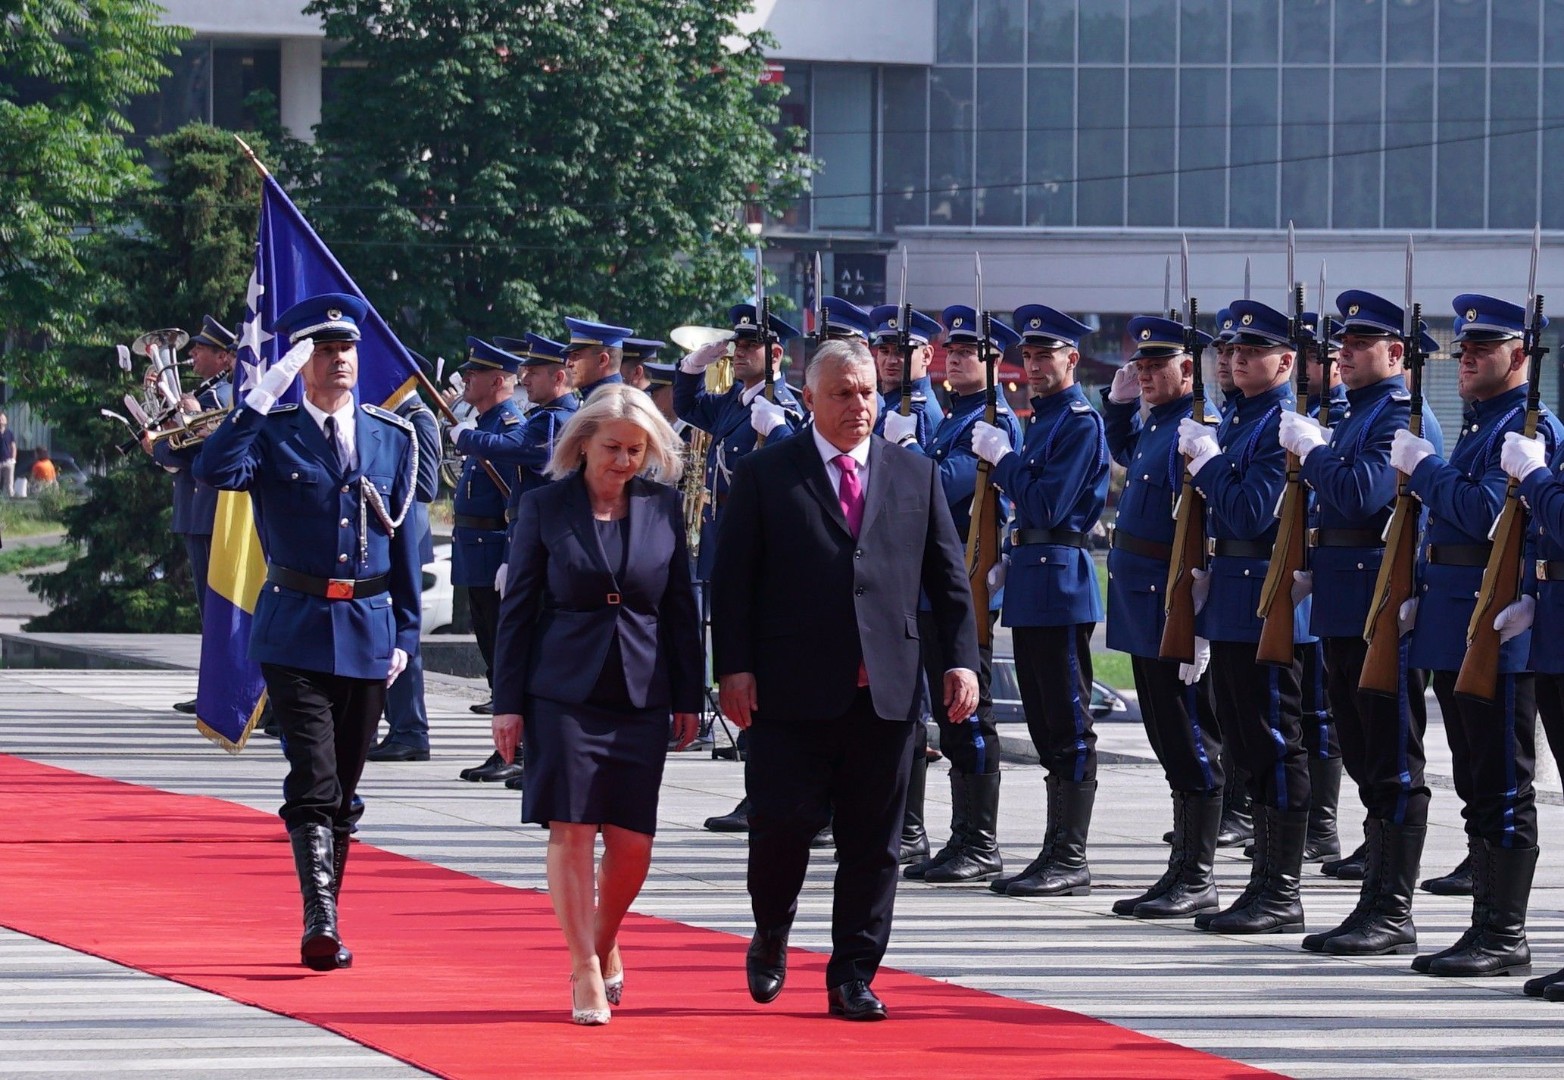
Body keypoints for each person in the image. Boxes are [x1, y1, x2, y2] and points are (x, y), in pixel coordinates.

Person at [713, 338, 978, 1022]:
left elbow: (948, 583)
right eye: (842, 393)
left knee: (874, 843)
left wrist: (960, 661)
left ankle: (852, 974)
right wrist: (733, 669)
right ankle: (772, 928)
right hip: (789, 691)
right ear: (808, 401)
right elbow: (732, 583)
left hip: (884, 691)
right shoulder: (769, 474)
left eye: (866, 392)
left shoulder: (913, 476)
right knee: (781, 828)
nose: (859, 405)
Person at [194, 291, 420, 972]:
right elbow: (214, 470)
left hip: (369, 628)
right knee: (315, 776)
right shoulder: (271, 430)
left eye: (346, 347)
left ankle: (331, 912)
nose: (339, 360)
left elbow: (402, 542)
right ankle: (318, 918)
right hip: (294, 630)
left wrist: (405, 635)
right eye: (323, 350)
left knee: (344, 785)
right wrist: (257, 400)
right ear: (300, 362)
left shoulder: (393, 435)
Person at [490, 384, 701, 1025]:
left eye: (638, 450)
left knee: (633, 841)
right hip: (561, 691)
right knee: (573, 828)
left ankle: (604, 938)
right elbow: (517, 610)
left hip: (642, 690)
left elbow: (680, 611)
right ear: (582, 443)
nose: (624, 461)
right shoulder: (544, 507)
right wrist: (508, 703)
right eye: (613, 447)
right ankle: (583, 966)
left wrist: (690, 695)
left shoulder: (663, 508)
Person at [1393, 293, 1561, 978]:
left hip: (1496, 627)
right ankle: (1487, 925)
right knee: (1475, 779)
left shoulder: (1526, 426)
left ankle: (1503, 933)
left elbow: (1486, 514)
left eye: (1481, 351)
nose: (1465, 360)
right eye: (1461, 351)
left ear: (1520, 357)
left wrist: (1425, 471)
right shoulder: (1479, 427)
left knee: (1501, 780)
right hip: (1459, 620)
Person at [1278, 292, 1445, 957]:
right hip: (1346, 609)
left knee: (1392, 762)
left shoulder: (1399, 415)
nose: (1340, 354)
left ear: (1396, 352)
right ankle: (1373, 898)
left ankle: (1391, 909)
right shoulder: (1360, 415)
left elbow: (1359, 494)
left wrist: (1314, 454)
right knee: (1368, 761)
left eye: (1355, 344)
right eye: (1338, 345)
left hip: (1382, 610)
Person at [1177, 297, 1312, 935]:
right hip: (1232, 595)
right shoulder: (1239, 418)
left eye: (1250, 352)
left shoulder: (1280, 422)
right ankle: (1262, 882)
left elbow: (1252, 512)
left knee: (1273, 741)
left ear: (1286, 361)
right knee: (1244, 742)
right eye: (1227, 352)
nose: (1234, 360)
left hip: (1265, 599)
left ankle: (1281, 890)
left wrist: (1208, 465)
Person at [972, 301, 1109, 899]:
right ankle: (1055, 850)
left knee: (1067, 722)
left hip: (1059, 580)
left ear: (1071, 359)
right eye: (1026, 355)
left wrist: (1004, 462)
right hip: (1034, 575)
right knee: (1044, 717)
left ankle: (1069, 856)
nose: (1032, 364)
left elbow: (1049, 504)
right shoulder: (1043, 419)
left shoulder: (1078, 420)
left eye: (1044, 354)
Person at [1101, 315, 1225, 921]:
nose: (1146, 375)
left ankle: (1197, 872)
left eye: (1158, 367)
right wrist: (1120, 405)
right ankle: (1182, 864)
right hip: (1141, 596)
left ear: (1189, 369)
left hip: (1172, 599)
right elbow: (1125, 450)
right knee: (1163, 733)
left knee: (1186, 735)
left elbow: (1209, 524)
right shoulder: (1157, 425)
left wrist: (1199, 613)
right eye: (1141, 367)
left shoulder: (1200, 429)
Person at [899, 305, 1021, 886]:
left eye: (971, 352)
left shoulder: (989, 421)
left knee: (967, 709)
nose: (958, 357)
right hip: (932, 580)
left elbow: (939, 483)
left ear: (995, 363)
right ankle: (960, 837)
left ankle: (979, 840)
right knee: (945, 714)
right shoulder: (956, 416)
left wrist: (907, 454)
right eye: (955, 349)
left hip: (963, 582)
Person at [676, 304, 806, 835]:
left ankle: (773, 794)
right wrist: (690, 366)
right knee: (739, 666)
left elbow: (802, 465)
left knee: (765, 677)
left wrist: (776, 432)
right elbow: (688, 407)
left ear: (776, 354)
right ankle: (756, 793)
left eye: (753, 346)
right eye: (739, 344)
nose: (742, 353)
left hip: (768, 552)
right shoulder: (733, 402)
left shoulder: (787, 407)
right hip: (730, 543)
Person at [454, 333, 581, 787]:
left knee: (520, 654)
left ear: (559, 376)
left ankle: (524, 749)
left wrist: (467, 435)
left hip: (524, 546)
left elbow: (526, 454)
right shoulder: (539, 417)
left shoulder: (553, 420)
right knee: (499, 650)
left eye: (533, 372)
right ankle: (516, 747)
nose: (525, 378)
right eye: (523, 371)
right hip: (506, 543)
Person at [147, 315, 237, 714]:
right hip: (195, 510)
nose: (192, 354)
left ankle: (224, 693)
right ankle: (213, 690)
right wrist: (167, 420)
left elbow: (207, 450)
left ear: (223, 357)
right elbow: (172, 449)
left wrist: (188, 422)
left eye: (201, 349)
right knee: (208, 610)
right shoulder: (206, 393)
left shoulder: (225, 396)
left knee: (220, 609)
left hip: (215, 511)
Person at [446, 338, 526, 779]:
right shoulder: (486, 425)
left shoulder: (509, 425)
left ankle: (513, 751)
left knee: (506, 659)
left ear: (498, 381)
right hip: (475, 552)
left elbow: (513, 494)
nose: (466, 380)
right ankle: (510, 748)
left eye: (474, 374)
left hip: (496, 550)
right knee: (494, 656)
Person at [367, 382, 441, 762]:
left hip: (406, 539)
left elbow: (426, 485)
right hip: (385, 539)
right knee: (383, 637)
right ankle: (392, 725)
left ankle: (411, 730)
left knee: (403, 636)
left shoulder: (418, 419)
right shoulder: (387, 419)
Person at [869, 305, 943, 449]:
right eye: (884, 351)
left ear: (926, 356)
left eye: (901, 352)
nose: (890, 360)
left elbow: (922, 470)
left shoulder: (916, 411)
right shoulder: (895, 403)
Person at [563, 317, 631, 401]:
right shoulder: (599, 399)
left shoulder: (614, 405)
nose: (568, 363)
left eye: (576, 355)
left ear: (602, 360)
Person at [0, 411, 16, 497]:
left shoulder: (9, 433)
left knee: (9, 484)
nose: (1, 420)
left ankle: (11, 503)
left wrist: (13, 459)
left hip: (8, 461)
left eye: (2, 418)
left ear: (6, 421)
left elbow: (13, 446)